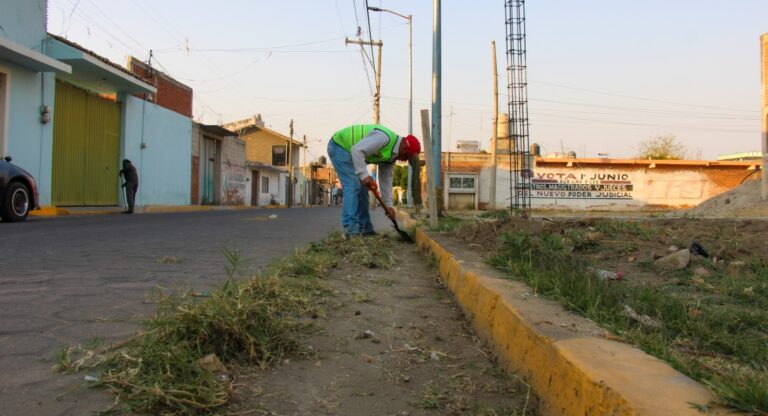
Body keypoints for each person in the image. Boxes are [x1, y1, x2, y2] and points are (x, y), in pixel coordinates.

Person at [326, 124, 421, 237]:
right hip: (339, 145)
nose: (404, 160)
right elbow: (357, 150)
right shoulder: (384, 138)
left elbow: (386, 180)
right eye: (406, 157)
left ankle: (365, 229)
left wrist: (389, 206)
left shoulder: (391, 157)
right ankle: (350, 230)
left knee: (362, 189)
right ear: (404, 147)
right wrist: (364, 175)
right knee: (353, 185)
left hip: (351, 152)